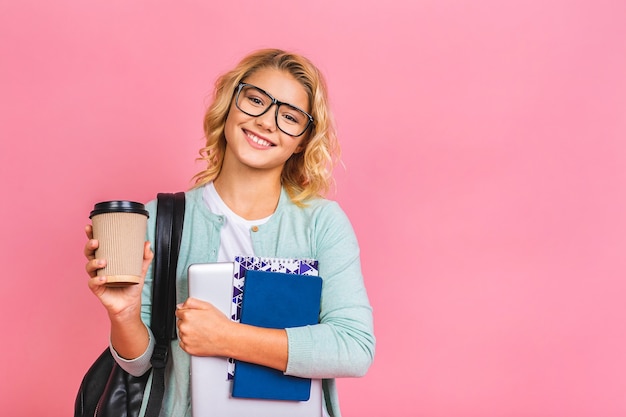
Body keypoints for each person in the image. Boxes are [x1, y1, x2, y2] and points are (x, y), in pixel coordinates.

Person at [84, 48, 375, 417]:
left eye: (289, 116)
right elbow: (138, 364)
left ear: (303, 139)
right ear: (231, 102)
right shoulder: (162, 218)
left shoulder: (322, 223)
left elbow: (353, 346)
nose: (267, 122)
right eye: (256, 100)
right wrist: (123, 315)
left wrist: (227, 338)